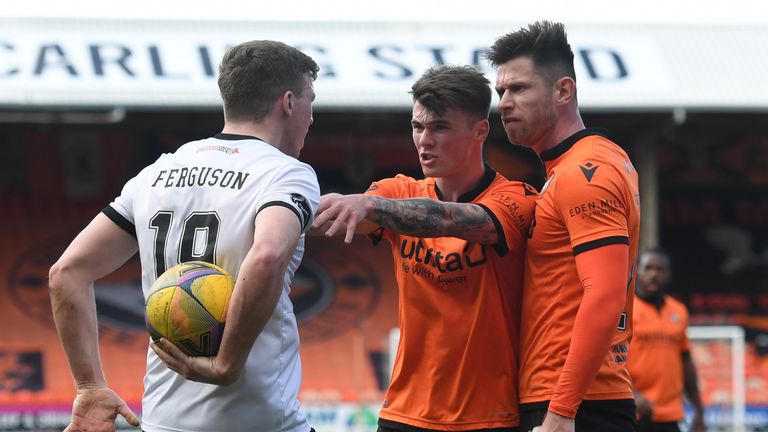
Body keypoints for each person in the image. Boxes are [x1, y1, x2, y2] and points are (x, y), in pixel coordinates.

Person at [48, 40, 320, 432]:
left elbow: (67, 273)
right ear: (289, 102)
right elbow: (266, 256)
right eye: (311, 102)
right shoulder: (284, 174)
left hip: (162, 423)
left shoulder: (156, 173)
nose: (312, 119)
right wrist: (227, 362)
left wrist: (89, 386)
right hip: (260, 424)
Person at [314, 65, 540, 431]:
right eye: (418, 127)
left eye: (440, 127)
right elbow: (333, 217)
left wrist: (369, 205)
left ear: (480, 130)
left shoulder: (517, 199)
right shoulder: (399, 190)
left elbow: (450, 219)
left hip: (489, 418)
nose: (424, 140)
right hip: (405, 413)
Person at [484, 21, 641, 432]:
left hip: (576, 404)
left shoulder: (585, 172)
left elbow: (604, 294)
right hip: (576, 398)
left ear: (563, 91)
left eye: (518, 89)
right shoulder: (588, 164)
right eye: (501, 91)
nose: (503, 103)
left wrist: (562, 412)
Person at [627, 248, 706, 432]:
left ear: (668, 274)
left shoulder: (679, 311)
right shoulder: (626, 309)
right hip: (634, 412)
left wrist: (699, 411)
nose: (653, 274)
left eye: (659, 269)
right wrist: (632, 395)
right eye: (648, 268)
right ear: (638, 271)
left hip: (670, 415)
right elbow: (611, 360)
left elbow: (685, 362)